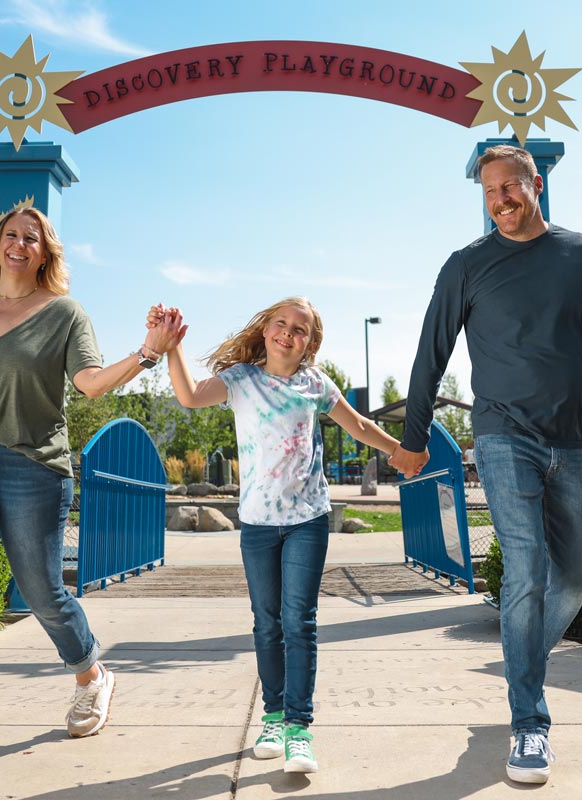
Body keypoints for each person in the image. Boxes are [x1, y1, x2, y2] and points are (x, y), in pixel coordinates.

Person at [389, 145, 582, 785]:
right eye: (489, 192)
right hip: (504, 435)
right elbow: (430, 354)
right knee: (527, 569)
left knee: (576, 579)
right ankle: (529, 725)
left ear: (536, 184)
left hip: (575, 439)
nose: (501, 199)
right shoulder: (466, 267)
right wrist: (416, 437)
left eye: (511, 186)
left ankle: (520, 663)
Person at [0, 206, 167, 795]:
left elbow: (89, 384)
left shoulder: (64, 314)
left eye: (31, 238)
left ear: (45, 254)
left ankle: (91, 672)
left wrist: (146, 353)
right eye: (11, 235)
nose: (19, 244)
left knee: (42, 589)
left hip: (32, 463)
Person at [147, 297, 401, 774]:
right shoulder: (242, 380)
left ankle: (299, 731)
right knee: (267, 623)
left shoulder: (316, 384)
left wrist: (400, 452)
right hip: (258, 524)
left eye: (300, 329)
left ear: (310, 342)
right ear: (265, 331)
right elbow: (189, 396)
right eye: (280, 324)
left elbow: (362, 425)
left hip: (308, 519)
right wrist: (172, 347)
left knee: (298, 621)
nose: (288, 333)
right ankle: (274, 716)